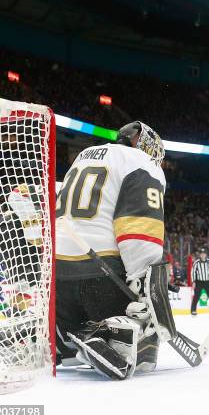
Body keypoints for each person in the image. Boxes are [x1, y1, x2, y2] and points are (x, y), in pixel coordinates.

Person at [55, 120, 169, 380]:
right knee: (147, 351)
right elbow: (140, 231)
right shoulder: (141, 161)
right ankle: (116, 336)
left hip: (58, 279)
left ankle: (68, 339)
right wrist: (144, 291)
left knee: (71, 323)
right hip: (102, 277)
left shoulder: (83, 156)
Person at [190, 247, 209, 316]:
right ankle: (193, 310)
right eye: (201, 254)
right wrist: (193, 282)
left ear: (206, 254)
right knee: (196, 296)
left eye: (204, 253)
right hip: (199, 282)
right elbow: (193, 272)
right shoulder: (196, 263)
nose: (203, 255)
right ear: (200, 255)